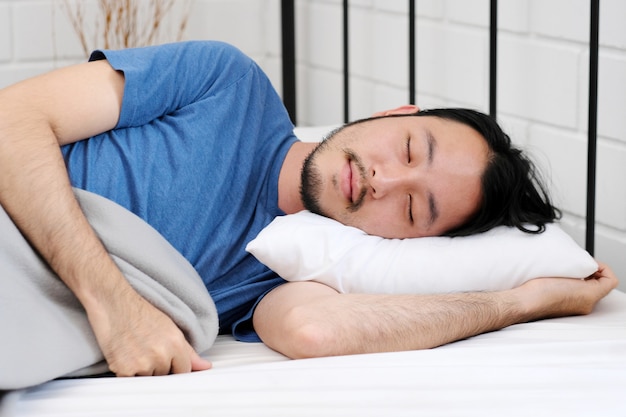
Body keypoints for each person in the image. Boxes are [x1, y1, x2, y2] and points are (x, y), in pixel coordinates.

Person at [0, 40, 617, 378]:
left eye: (412, 209)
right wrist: (113, 304)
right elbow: (10, 120)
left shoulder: (288, 272)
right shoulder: (225, 80)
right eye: (407, 149)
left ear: (408, 245)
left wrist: (524, 301)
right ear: (394, 114)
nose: (384, 180)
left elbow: (316, 333)